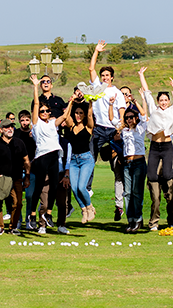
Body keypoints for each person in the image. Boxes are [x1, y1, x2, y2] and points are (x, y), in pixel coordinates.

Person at [138, 66, 173, 229]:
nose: (163, 103)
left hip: (167, 146)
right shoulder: (153, 109)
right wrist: (141, 75)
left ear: (169, 102)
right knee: (152, 177)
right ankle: (154, 222)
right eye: (161, 100)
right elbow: (147, 93)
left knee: (168, 174)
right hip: (155, 147)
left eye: (165, 100)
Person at [87, 40, 127, 220]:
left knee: (117, 166)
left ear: (112, 77)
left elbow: (122, 113)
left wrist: (119, 131)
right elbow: (91, 68)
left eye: (107, 75)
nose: (104, 77)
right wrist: (96, 51)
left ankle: (120, 204)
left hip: (113, 130)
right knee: (90, 156)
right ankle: (88, 188)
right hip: (98, 128)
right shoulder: (97, 87)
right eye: (102, 74)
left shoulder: (117, 93)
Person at [29, 74, 70, 234]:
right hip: (41, 157)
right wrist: (35, 86)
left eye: (47, 111)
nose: (44, 112)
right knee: (39, 186)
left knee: (54, 185)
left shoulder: (53, 123)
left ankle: (48, 214)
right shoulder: (36, 123)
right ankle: (32, 215)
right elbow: (37, 103)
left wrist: (71, 100)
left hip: (55, 156)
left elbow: (65, 116)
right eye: (42, 111)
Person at [0, 118, 30, 235]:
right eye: (7, 127)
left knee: (18, 203)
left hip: (16, 178)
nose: (10, 129)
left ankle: (13, 227)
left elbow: (26, 160)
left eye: (11, 126)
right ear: (1, 130)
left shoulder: (19, 143)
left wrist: (27, 176)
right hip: (0, 178)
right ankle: (0, 226)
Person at [113, 101, 148, 233]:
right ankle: (130, 219)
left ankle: (138, 218)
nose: (129, 120)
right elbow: (112, 120)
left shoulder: (141, 128)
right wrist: (112, 105)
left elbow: (144, 115)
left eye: (131, 117)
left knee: (136, 192)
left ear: (136, 118)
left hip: (138, 162)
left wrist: (135, 102)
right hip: (127, 164)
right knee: (127, 193)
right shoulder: (124, 131)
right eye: (127, 118)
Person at [63, 94, 96, 223]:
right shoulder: (71, 126)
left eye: (80, 113)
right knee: (74, 188)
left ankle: (90, 208)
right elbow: (66, 117)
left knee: (82, 187)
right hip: (73, 160)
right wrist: (71, 102)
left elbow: (89, 116)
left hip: (86, 159)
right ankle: (84, 210)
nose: (78, 115)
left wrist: (91, 103)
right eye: (76, 113)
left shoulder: (88, 127)